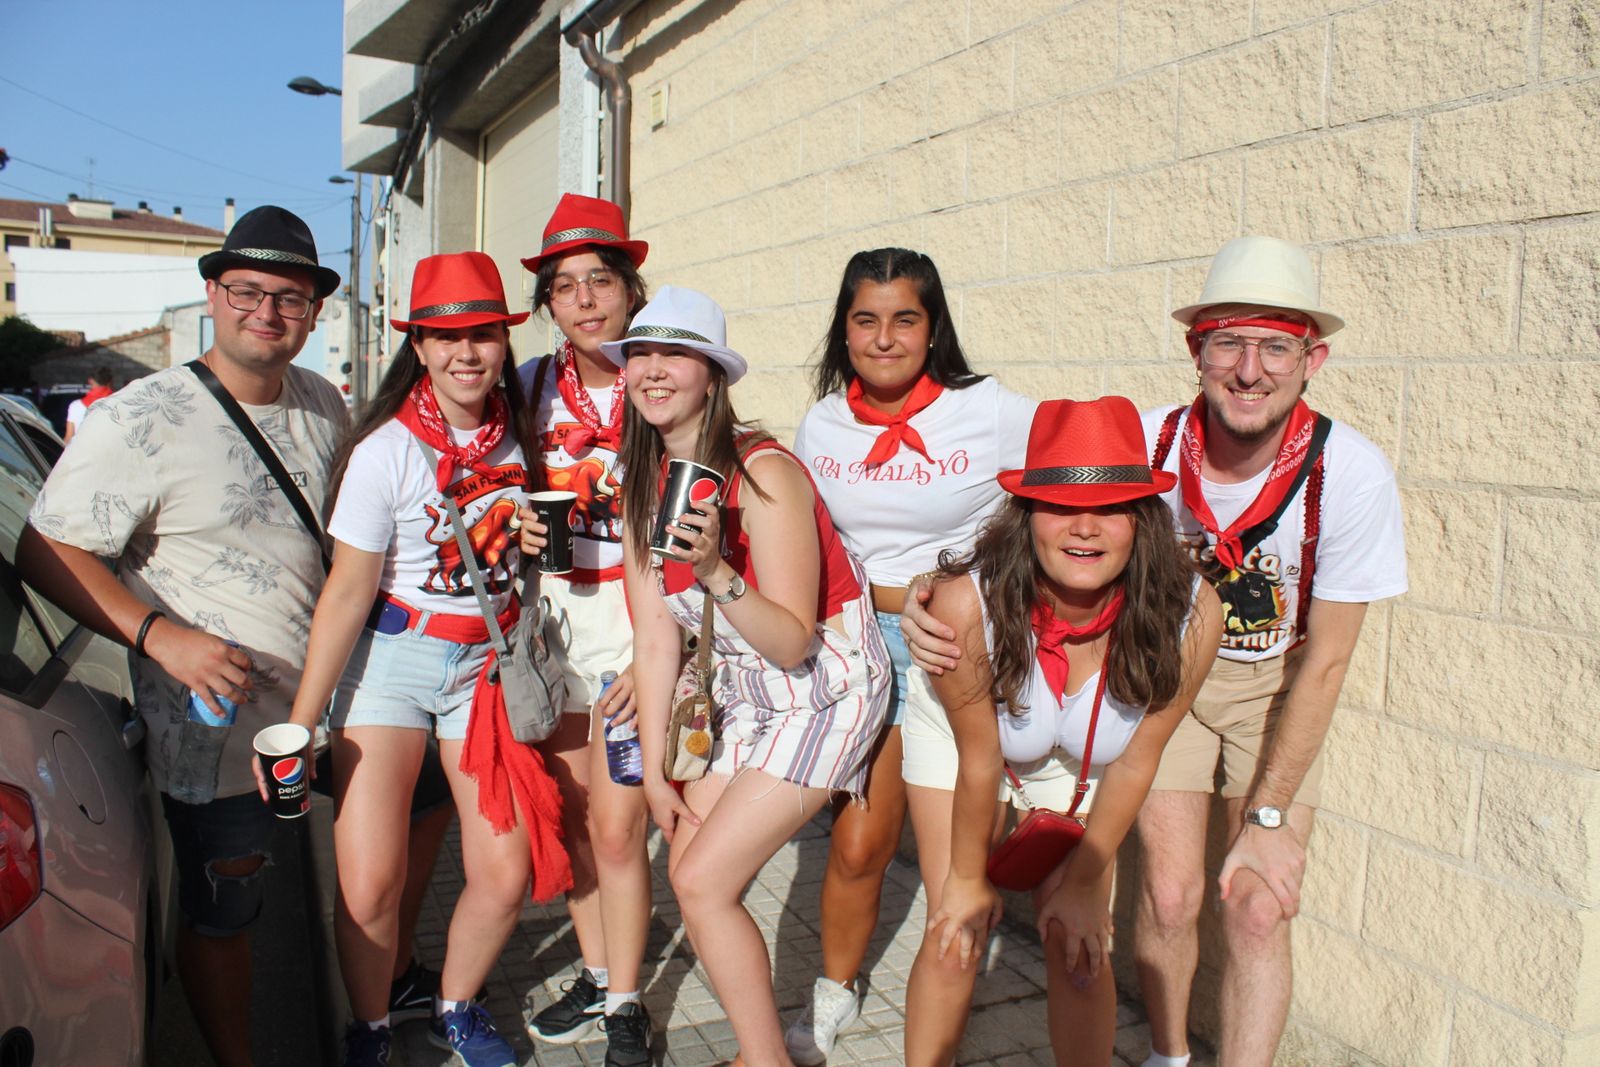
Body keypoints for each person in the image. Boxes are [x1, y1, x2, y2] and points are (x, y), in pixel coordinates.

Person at [903, 236, 1408, 1067]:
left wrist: (1269, 817)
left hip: (1240, 678)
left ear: (1311, 357)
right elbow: (1011, 534)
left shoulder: (1348, 475)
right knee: (1131, 899)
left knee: (1240, 906)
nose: (1250, 369)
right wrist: (933, 590)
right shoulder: (1137, 440)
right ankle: (1167, 1056)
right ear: (1195, 351)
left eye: (1276, 345)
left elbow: (1326, 663)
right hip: (1082, 681)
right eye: (1230, 344)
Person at [18, 206, 347, 1067]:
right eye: (247, 292)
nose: (267, 312)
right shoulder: (141, 417)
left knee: (359, 853)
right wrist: (160, 634)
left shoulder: (322, 402)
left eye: (289, 296)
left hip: (320, 713)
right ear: (213, 294)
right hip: (216, 735)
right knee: (225, 906)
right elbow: (44, 544)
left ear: (313, 311)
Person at [278, 251, 571, 1067]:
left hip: (485, 670)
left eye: (482, 334)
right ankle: (369, 1024)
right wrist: (302, 726)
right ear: (418, 344)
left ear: (504, 341)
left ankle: (455, 1004)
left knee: (504, 871)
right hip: (393, 664)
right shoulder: (386, 451)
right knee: (370, 881)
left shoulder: (520, 433)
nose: (466, 353)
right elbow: (346, 593)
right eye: (446, 338)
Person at [612, 286, 890, 1067]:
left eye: (675, 355)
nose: (653, 370)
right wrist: (657, 769)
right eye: (640, 354)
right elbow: (657, 640)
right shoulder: (643, 479)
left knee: (701, 880)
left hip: (821, 689)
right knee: (693, 870)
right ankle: (760, 1051)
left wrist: (714, 569)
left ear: (712, 375)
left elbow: (796, 639)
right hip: (740, 692)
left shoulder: (764, 473)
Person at [901, 396, 1220, 1066]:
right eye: (1059, 506)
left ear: (1142, 521)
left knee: (1079, 943)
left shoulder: (1191, 614)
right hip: (969, 748)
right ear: (1026, 517)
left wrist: (1082, 883)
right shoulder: (967, 604)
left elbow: (1137, 762)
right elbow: (981, 759)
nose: (1085, 529)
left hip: (1094, 762)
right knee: (956, 927)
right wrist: (966, 877)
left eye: (1110, 508)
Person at [787, 247, 1037, 1063]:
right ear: (844, 328)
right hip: (860, 644)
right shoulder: (822, 424)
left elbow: (1066, 492)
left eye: (906, 319)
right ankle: (835, 990)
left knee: (954, 869)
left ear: (933, 330)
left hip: (957, 646)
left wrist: (973, 579)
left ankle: (938, 1042)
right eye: (866, 319)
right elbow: (814, 544)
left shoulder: (990, 410)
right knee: (859, 842)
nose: (885, 337)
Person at [516, 193, 657, 1067]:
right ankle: (600, 973)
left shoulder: (663, 373)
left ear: (630, 288)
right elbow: (482, 482)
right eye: (565, 286)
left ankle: (630, 1001)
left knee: (617, 829)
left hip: (637, 634)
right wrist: (513, 522)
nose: (584, 299)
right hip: (555, 631)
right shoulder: (527, 384)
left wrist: (663, 648)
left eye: (599, 279)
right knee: (574, 824)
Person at [61, 365, 113, 442]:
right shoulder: (117, 405)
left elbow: (68, 438)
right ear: (110, 382)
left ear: (90, 381)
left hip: (80, 452)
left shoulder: (75, 406)